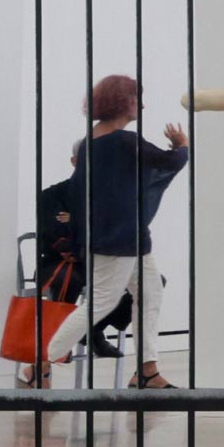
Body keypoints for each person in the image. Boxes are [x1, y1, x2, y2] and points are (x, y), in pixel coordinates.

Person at [38, 74, 188, 389]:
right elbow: (169, 160)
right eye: (137, 99)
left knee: (150, 293)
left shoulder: (92, 142)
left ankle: (147, 371)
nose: (142, 105)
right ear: (122, 102)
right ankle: (40, 362)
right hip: (119, 240)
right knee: (101, 302)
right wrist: (182, 145)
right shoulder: (124, 141)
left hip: (123, 239)